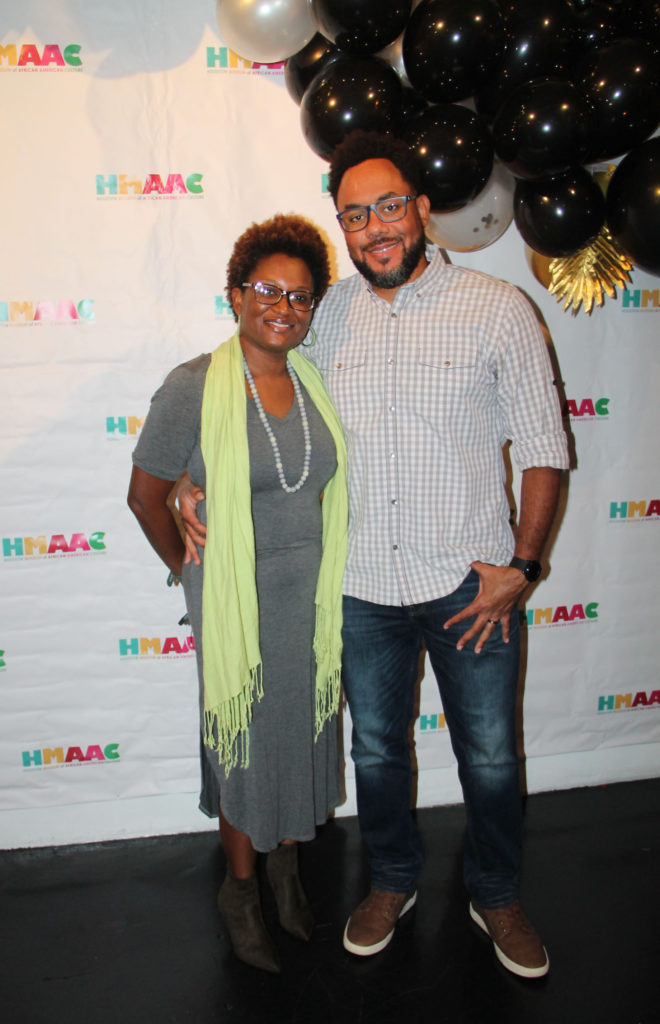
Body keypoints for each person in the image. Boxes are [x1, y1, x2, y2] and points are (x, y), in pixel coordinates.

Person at [179, 132, 570, 979]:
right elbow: (247, 390)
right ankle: (392, 880)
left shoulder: (499, 308)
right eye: (355, 215)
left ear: (422, 209)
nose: (375, 227)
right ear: (344, 228)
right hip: (357, 587)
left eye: (390, 207)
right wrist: (185, 478)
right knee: (378, 755)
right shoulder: (324, 317)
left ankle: (496, 894)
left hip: (471, 586)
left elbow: (546, 448)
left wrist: (524, 567)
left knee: (491, 757)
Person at [127, 214, 348, 974]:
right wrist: (187, 565)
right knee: (243, 745)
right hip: (235, 606)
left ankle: (286, 870)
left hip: (309, 600)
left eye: (300, 296)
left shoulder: (315, 382)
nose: (284, 307)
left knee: (301, 738)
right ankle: (241, 889)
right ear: (235, 296)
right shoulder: (192, 386)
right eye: (267, 290)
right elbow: (145, 495)